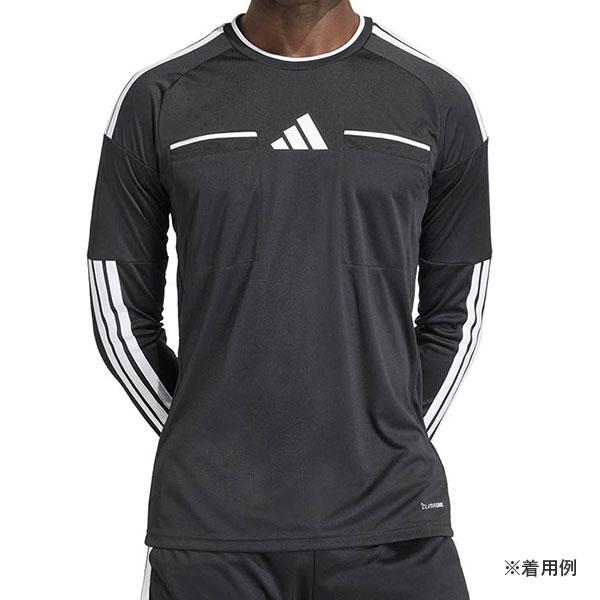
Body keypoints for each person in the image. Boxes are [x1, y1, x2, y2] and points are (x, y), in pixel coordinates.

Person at [87, 1, 491, 597]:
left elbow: (455, 315)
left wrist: (385, 438)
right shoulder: (159, 98)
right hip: (211, 536)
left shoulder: (436, 98)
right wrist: (203, 436)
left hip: (395, 528)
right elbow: (120, 317)